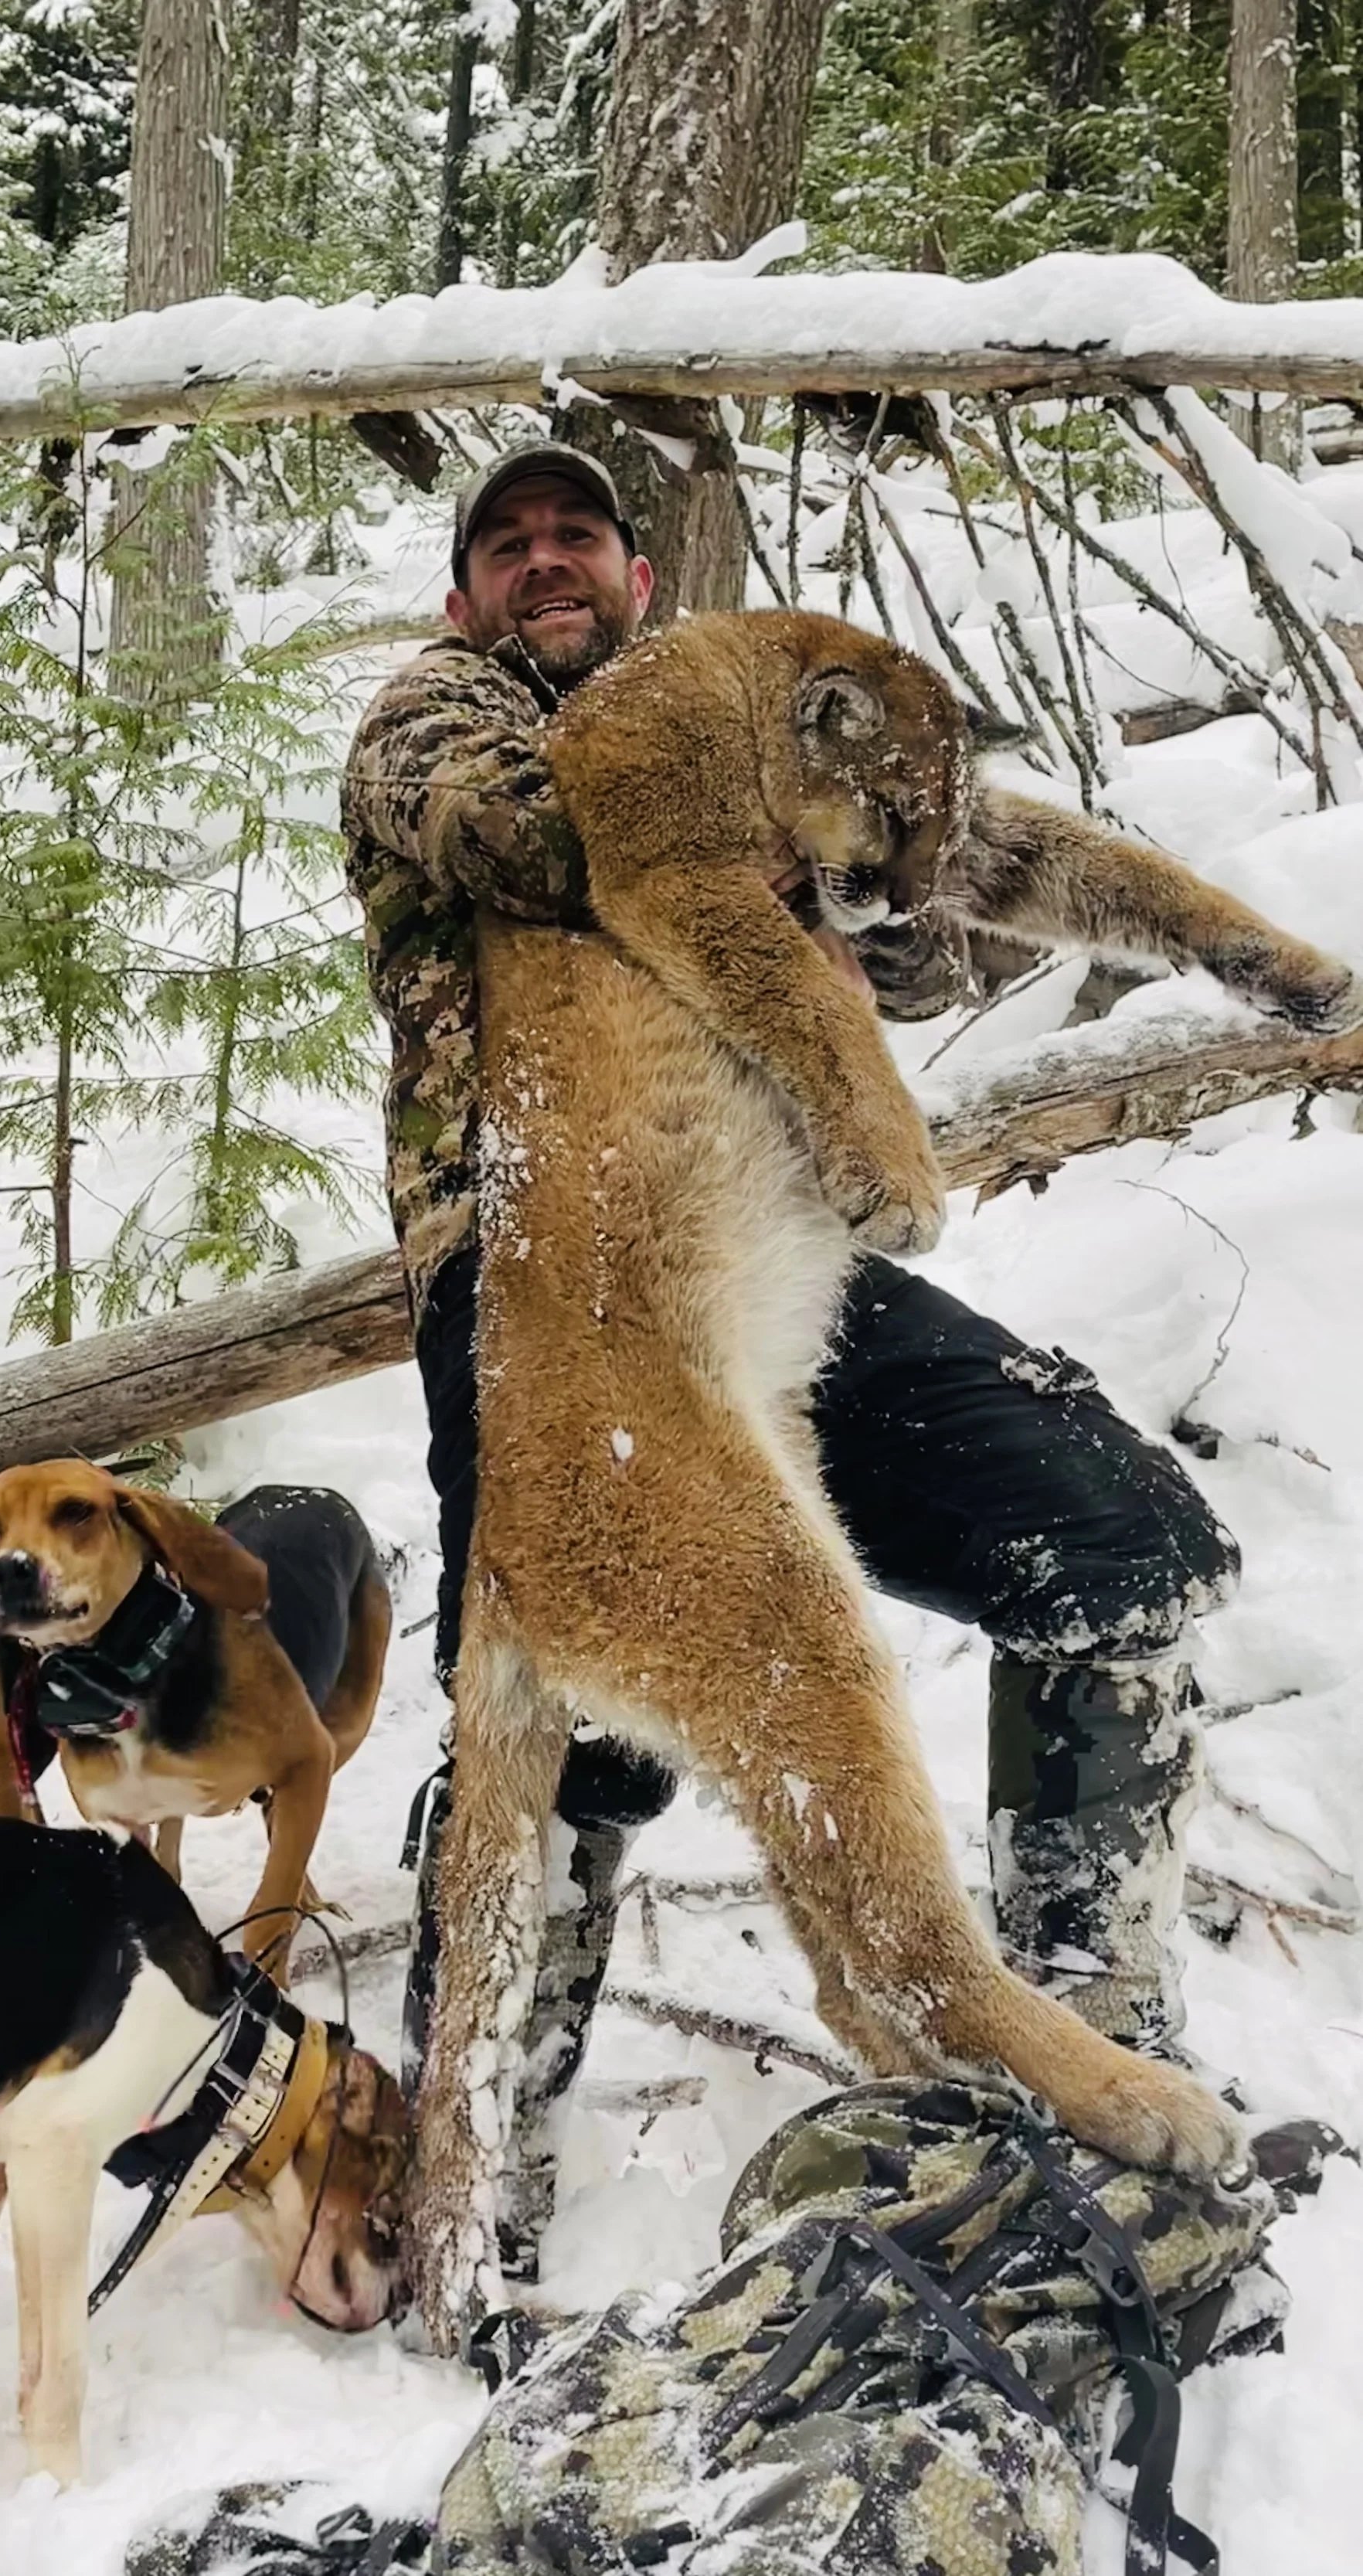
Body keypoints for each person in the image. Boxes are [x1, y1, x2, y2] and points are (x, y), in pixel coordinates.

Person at [339, 440, 1243, 2279]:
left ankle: (1073, 2030)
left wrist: (889, 859)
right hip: (551, 1274)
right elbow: (560, 844)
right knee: (561, 1725)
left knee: (1121, 1541)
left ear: (641, 577)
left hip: (778, 1251)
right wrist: (812, 842)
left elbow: (909, 935)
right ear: (461, 596)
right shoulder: (436, 717)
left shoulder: (771, 745)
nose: (542, 561)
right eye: (505, 544)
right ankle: (475, 2183)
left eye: (577, 533)